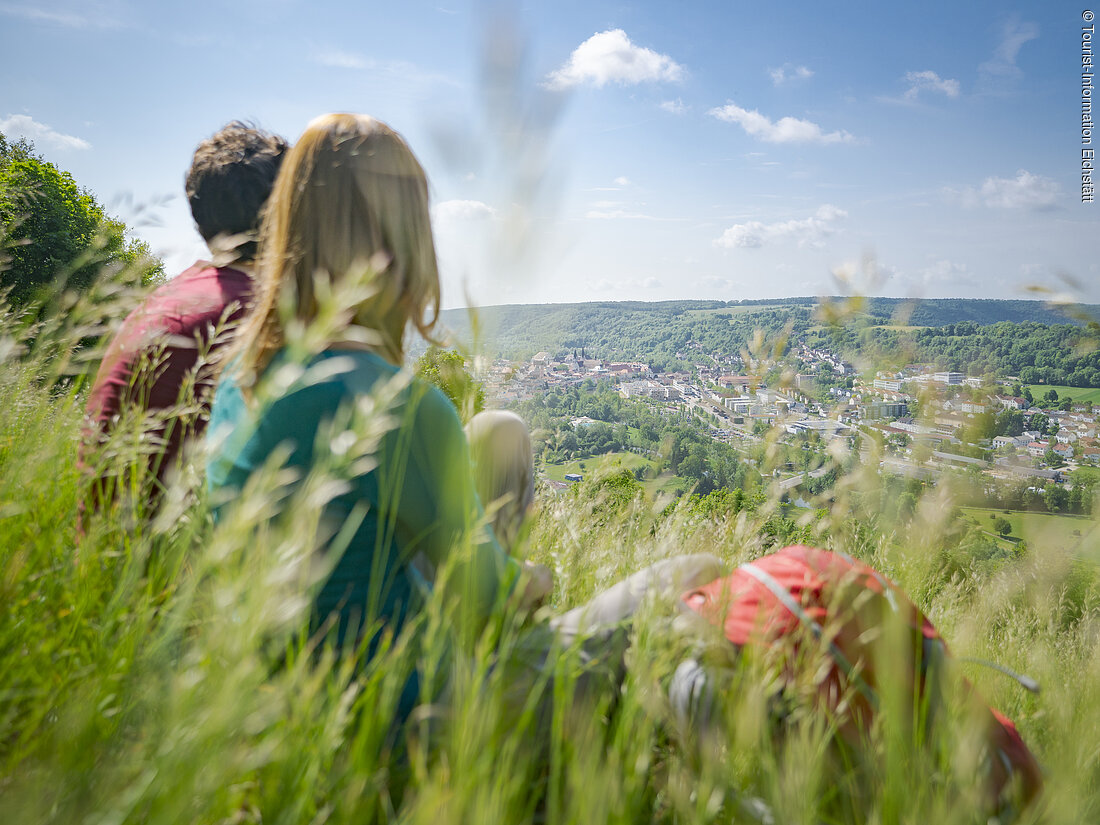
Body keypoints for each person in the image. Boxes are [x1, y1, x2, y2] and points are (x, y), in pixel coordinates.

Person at [206, 114, 535, 721]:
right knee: (681, 582)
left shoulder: (236, 381)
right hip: (406, 721)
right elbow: (493, 594)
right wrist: (536, 580)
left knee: (498, 434)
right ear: (406, 239)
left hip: (274, 713)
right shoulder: (395, 405)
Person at [82, 122, 288, 519]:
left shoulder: (162, 301)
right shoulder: (255, 315)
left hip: (112, 565)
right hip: (182, 571)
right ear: (288, 210)